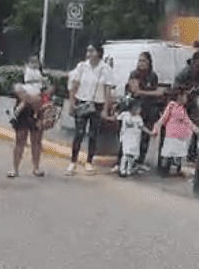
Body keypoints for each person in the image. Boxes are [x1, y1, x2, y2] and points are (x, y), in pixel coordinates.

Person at [66, 44, 113, 176]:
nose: (88, 53)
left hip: (97, 104)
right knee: (79, 133)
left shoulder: (105, 69)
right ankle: (73, 161)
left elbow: (108, 90)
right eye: (88, 50)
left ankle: (89, 162)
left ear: (98, 53)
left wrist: (105, 109)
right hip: (82, 102)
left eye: (91, 50)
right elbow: (74, 84)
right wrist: (71, 103)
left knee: (93, 134)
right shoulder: (82, 67)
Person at [126, 52, 165, 168]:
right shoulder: (134, 74)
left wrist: (144, 92)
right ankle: (127, 160)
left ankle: (140, 161)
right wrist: (150, 93)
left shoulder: (153, 76)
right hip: (136, 108)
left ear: (149, 62)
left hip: (150, 108)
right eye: (139, 60)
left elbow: (158, 92)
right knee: (132, 135)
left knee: (145, 136)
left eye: (143, 61)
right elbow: (134, 90)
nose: (141, 63)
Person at [173, 50, 199, 162]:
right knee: (177, 128)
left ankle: (192, 153)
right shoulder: (185, 72)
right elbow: (176, 87)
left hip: (192, 102)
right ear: (194, 62)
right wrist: (186, 90)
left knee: (198, 126)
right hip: (181, 102)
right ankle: (174, 155)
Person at [154, 89, 199, 176]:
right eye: (185, 96)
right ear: (180, 97)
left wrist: (197, 130)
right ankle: (164, 170)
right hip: (171, 135)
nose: (186, 99)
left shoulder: (183, 109)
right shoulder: (171, 105)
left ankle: (177, 170)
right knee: (168, 153)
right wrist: (156, 128)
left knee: (179, 154)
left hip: (181, 136)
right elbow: (163, 118)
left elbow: (188, 121)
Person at [7, 83, 47, 178]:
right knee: (20, 141)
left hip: (37, 112)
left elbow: (44, 98)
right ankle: (15, 168)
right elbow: (22, 95)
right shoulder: (20, 86)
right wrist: (33, 99)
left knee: (36, 141)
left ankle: (36, 168)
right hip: (23, 113)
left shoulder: (43, 85)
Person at [116, 100, 153, 177]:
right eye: (138, 108)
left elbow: (142, 127)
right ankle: (122, 169)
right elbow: (117, 118)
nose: (139, 110)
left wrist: (150, 132)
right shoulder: (125, 115)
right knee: (125, 154)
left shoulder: (139, 118)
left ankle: (129, 169)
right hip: (126, 137)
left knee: (132, 155)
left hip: (135, 139)